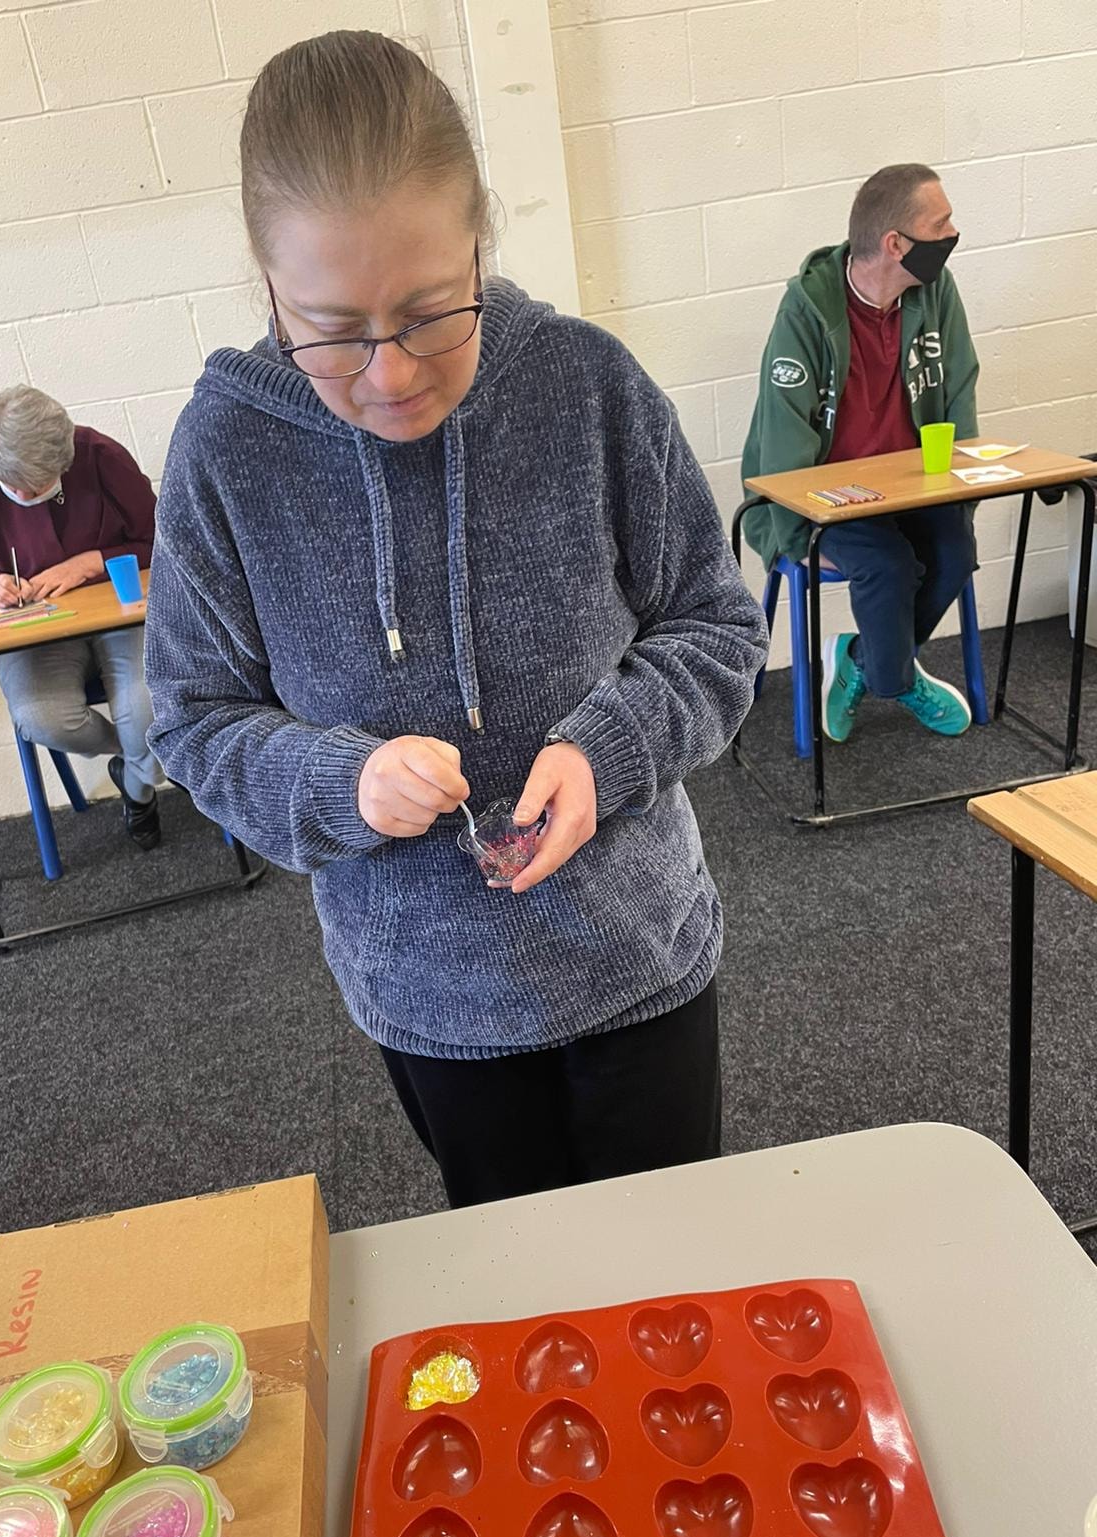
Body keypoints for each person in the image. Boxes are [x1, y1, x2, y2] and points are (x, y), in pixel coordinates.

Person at [144, 31, 768, 1207]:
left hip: (638, 956)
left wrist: (609, 749)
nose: (390, 374)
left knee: (676, 1259)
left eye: (432, 312)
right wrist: (338, 781)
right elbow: (196, 719)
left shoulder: (586, 384)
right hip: (429, 997)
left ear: (480, 241)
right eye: (334, 328)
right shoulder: (226, 451)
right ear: (267, 284)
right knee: (512, 1273)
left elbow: (717, 627)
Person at [741, 163, 980, 744]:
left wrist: (961, 494)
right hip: (827, 496)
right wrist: (794, 536)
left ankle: (862, 661)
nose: (953, 233)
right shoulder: (807, 309)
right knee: (888, 565)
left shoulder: (936, 290)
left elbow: (961, 390)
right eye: (940, 223)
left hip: (912, 486)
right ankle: (896, 681)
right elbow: (783, 436)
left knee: (955, 553)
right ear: (896, 243)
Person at [0, 386, 164, 848]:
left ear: (65, 461)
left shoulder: (100, 455)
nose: (24, 495)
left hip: (121, 613)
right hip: (37, 631)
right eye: (13, 486)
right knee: (40, 717)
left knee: (147, 708)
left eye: (39, 485)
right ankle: (137, 760)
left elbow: (160, 539)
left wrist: (91, 562)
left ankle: (139, 789)